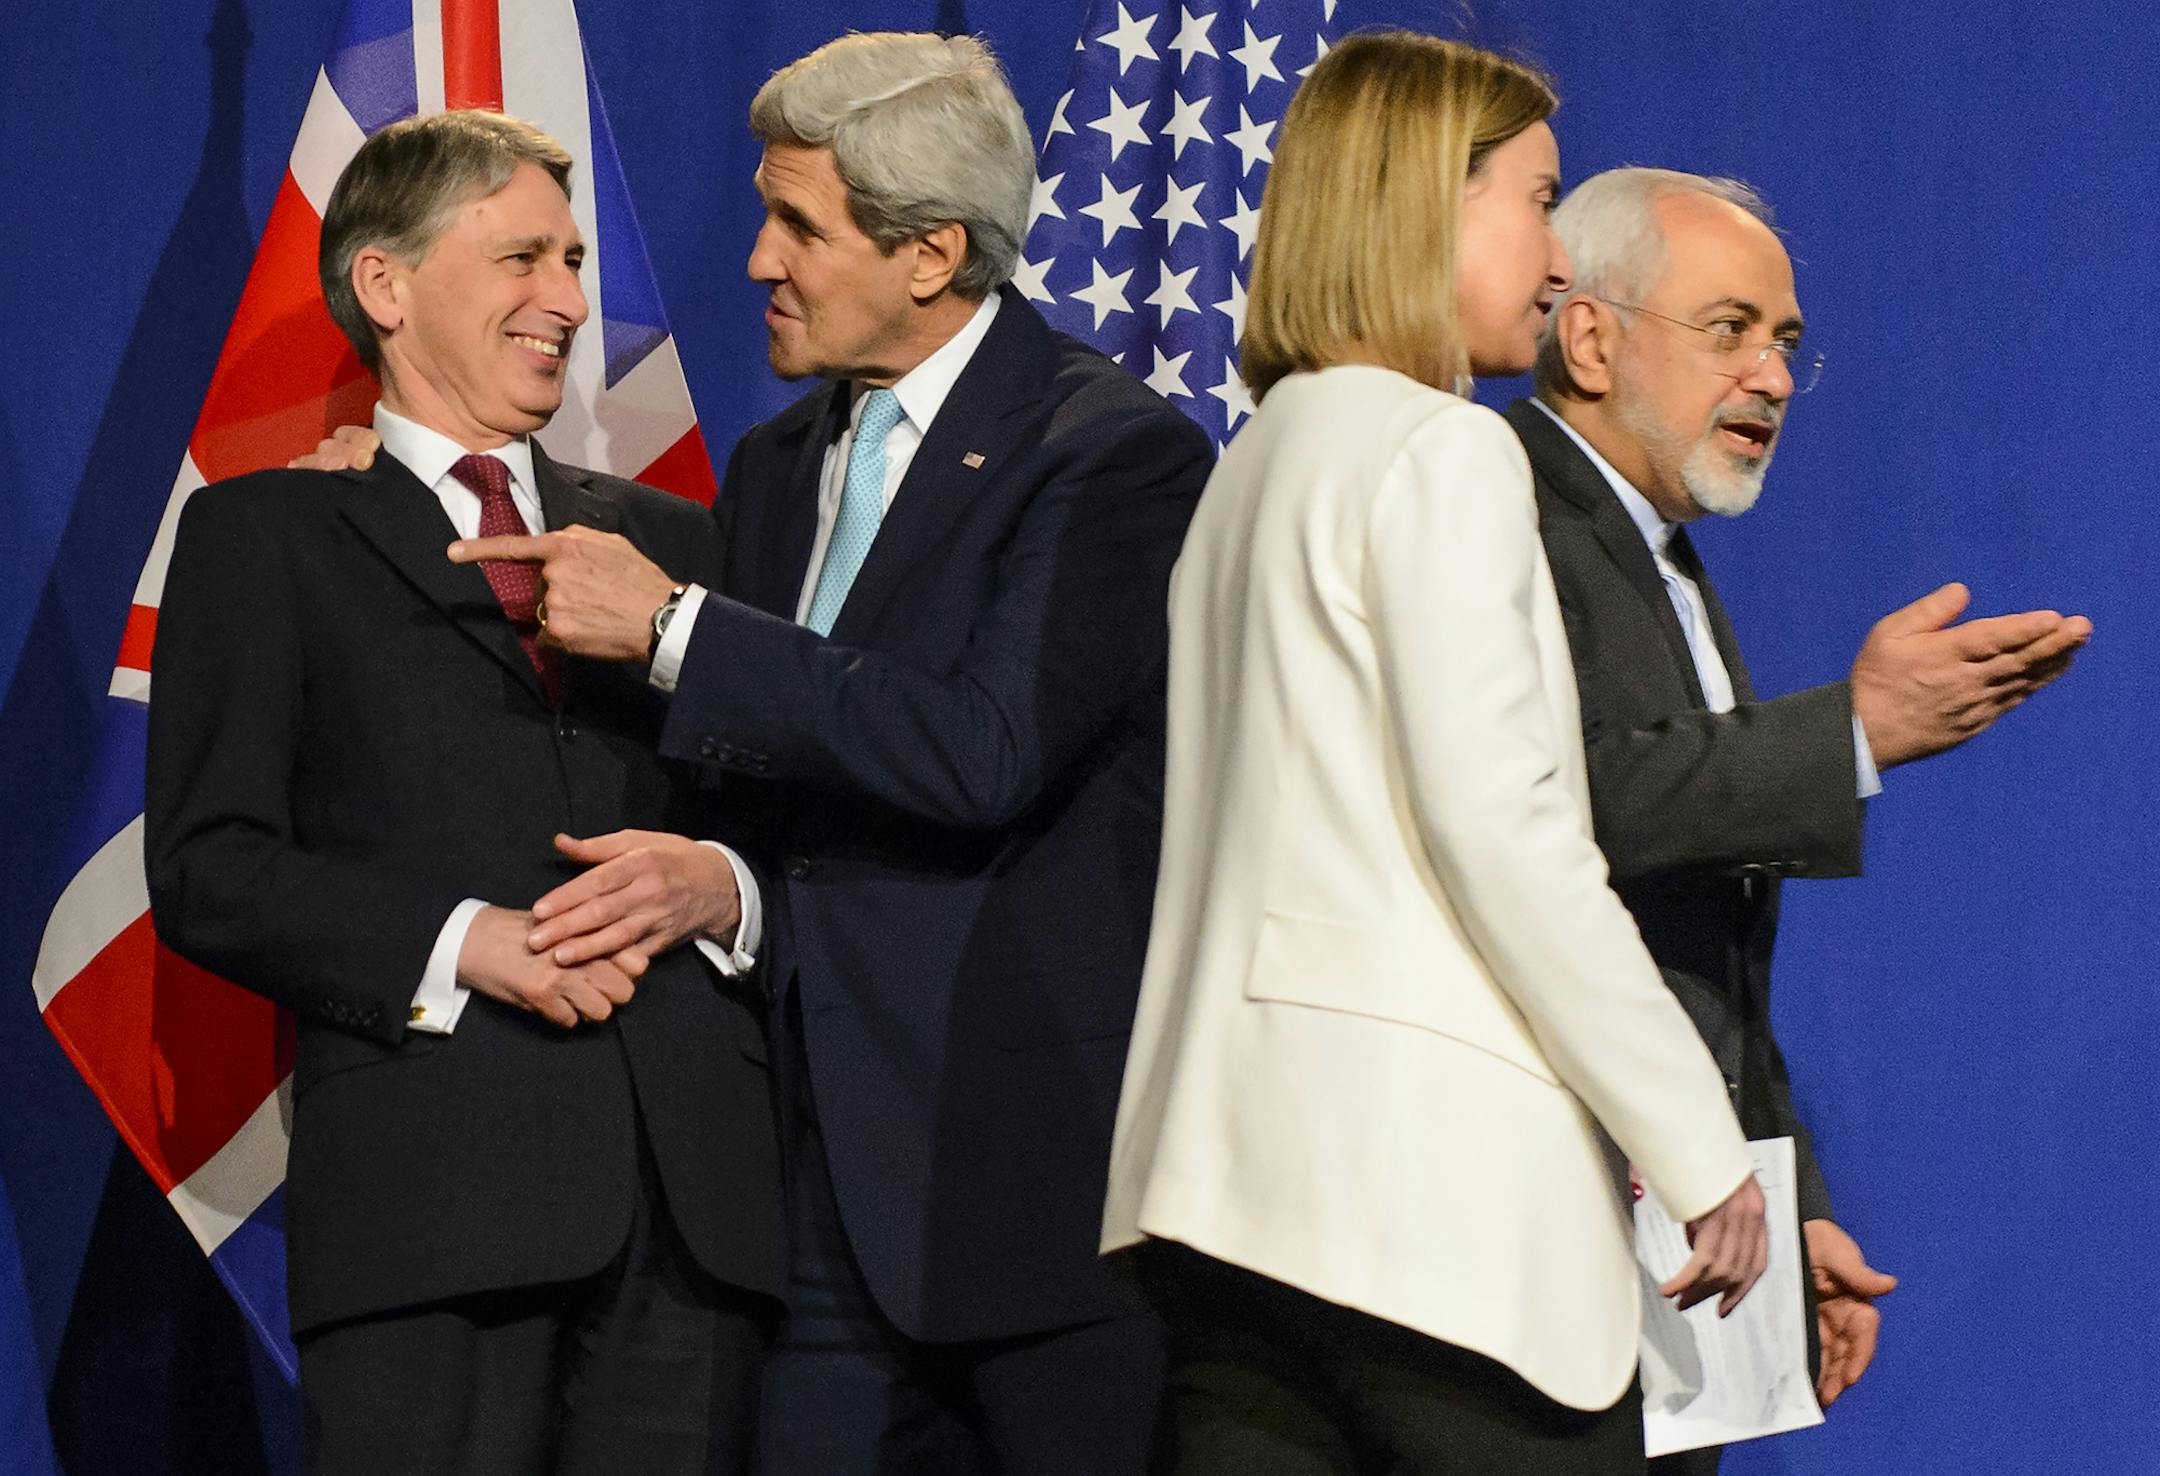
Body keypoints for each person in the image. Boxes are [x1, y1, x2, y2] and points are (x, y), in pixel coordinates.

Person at [372, 33, 1219, 1476]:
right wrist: (382, 476)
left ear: (931, 253)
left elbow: (983, 749)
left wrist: (684, 631)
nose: (758, 258)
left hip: (1030, 1202)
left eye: (799, 225)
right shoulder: (775, 469)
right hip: (796, 1196)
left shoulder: (1111, 453)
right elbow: (757, 786)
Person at [1101, 33, 1768, 1474]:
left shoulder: (1261, 461)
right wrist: (1695, 1137)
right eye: (1533, 202)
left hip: (1226, 1205)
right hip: (1425, 1231)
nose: (1552, 260)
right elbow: (1505, 830)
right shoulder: (1443, 452)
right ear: (1424, 205)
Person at [144, 111, 784, 1474]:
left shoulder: (674, 543)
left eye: (571, 257)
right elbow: (213, 866)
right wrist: (465, 940)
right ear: (385, 284)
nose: (565, 298)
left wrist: (719, 885)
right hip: (432, 1213)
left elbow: (788, 828)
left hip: (691, 1219)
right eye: (520, 259)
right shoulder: (266, 537)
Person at [1506, 167, 2090, 1465]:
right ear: (1592, 335)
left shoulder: (1654, 547)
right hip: (1536, 1234)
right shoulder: (1504, 503)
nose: (1770, 377)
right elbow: (1546, 812)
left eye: (1784, 345)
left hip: (1678, 1231)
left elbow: (1692, 935)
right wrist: (1852, 733)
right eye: (1728, 331)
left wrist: (1787, 1191)